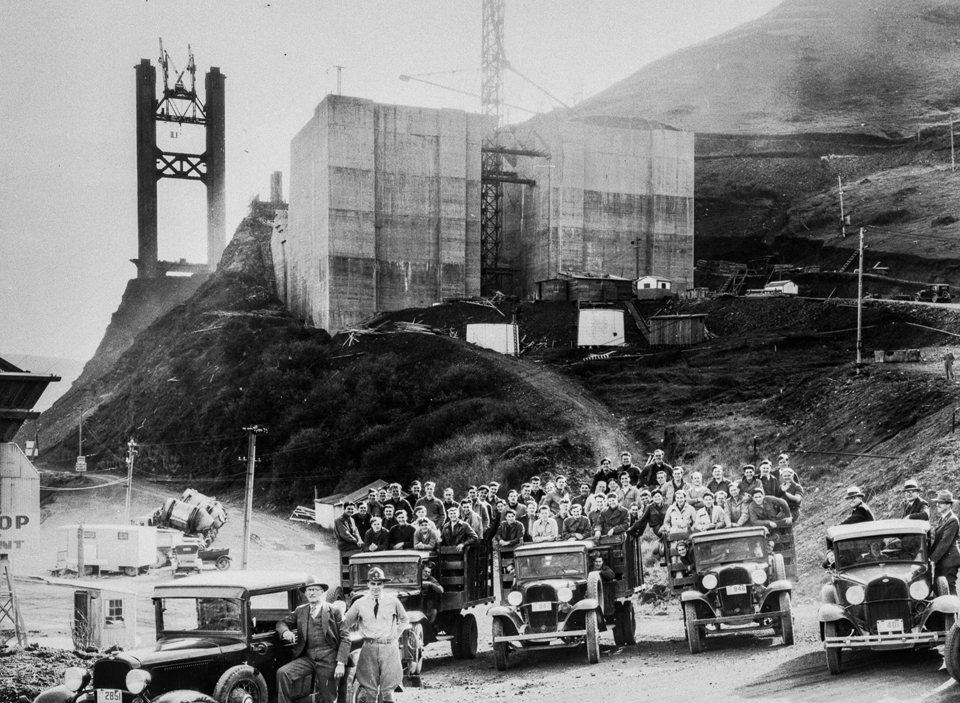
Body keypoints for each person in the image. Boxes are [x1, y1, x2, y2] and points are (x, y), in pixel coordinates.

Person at [276, 577, 350, 703]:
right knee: (283, 673)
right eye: (309, 590)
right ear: (305, 593)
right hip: (308, 659)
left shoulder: (334, 611)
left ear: (322, 592)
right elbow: (281, 622)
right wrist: (285, 631)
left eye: (315, 590)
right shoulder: (301, 611)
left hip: (329, 660)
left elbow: (345, 638)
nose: (312, 593)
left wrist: (340, 664)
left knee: (328, 698)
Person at [344, 567, 409, 703]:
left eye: (379, 584)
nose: (376, 587)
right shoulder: (359, 603)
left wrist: (395, 636)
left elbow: (404, 619)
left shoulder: (393, 601)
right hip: (369, 647)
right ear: (367, 584)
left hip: (389, 648)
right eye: (373, 584)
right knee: (369, 690)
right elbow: (346, 623)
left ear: (383, 585)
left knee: (388, 692)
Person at [930, 490, 960, 593]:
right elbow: (937, 541)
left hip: (949, 561)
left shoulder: (952, 520)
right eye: (937, 502)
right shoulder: (943, 518)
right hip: (942, 561)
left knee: (949, 589)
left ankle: (954, 609)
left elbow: (944, 542)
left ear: (949, 505)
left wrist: (932, 558)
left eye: (941, 503)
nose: (938, 505)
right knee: (939, 589)